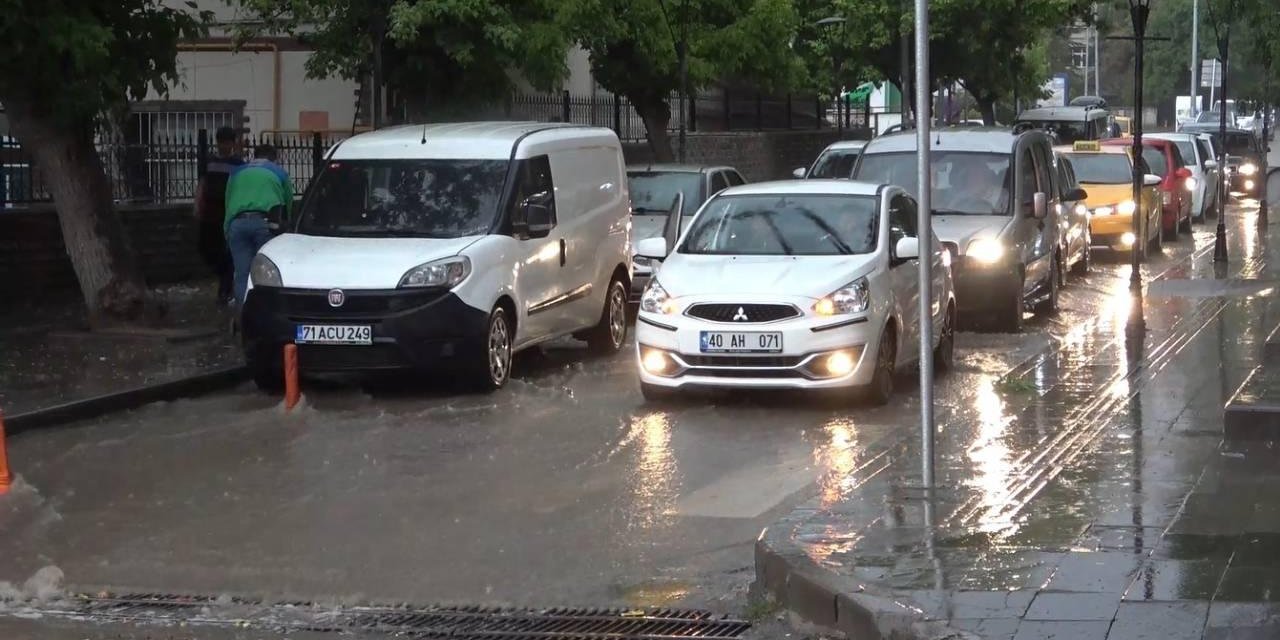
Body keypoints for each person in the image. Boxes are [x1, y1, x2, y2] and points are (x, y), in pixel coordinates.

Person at [225, 144, 293, 307]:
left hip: (237, 224)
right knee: (265, 272)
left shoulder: (236, 172)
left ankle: (243, 315)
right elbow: (287, 204)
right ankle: (265, 311)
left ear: (254, 156)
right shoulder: (279, 172)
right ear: (273, 158)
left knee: (242, 274)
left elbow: (228, 202)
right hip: (265, 224)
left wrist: (226, 230)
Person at [194, 127, 243, 306]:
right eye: (221, 142)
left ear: (233, 143)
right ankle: (223, 276)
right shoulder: (210, 161)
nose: (224, 146)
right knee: (205, 247)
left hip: (228, 213)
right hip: (209, 212)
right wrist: (197, 204)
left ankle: (225, 287)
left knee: (227, 251)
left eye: (227, 142)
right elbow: (202, 183)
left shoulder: (239, 164)